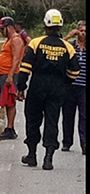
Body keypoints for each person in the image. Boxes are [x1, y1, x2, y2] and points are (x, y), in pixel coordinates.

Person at [17, 9, 81, 170]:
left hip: (38, 85)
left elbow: (25, 67)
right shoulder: (68, 47)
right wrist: (65, 84)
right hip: (57, 87)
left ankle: (32, 155)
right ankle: (48, 159)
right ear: (60, 26)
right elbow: (75, 71)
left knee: (33, 120)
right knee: (52, 121)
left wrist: (21, 87)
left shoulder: (36, 43)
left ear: (46, 25)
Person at [0, 16, 25, 140]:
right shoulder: (9, 39)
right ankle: (8, 127)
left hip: (9, 74)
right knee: (6, 102)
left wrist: (10, 75)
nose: (1, 32)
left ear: (9, 27)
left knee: (10, 101)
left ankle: (10, 128)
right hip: (3, 74)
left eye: (3, 29)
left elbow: (16, 58)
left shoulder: (16, 39)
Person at [61, 20, 86, 154]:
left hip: (84, 86)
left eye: (85, 31)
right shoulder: (71, 46)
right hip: (70, 85)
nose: (83, 34)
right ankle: (66, 142)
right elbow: (59, 46)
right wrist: (69, 36)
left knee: (84, 116)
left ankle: (84, 142)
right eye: (81, 30)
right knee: (68, 114)